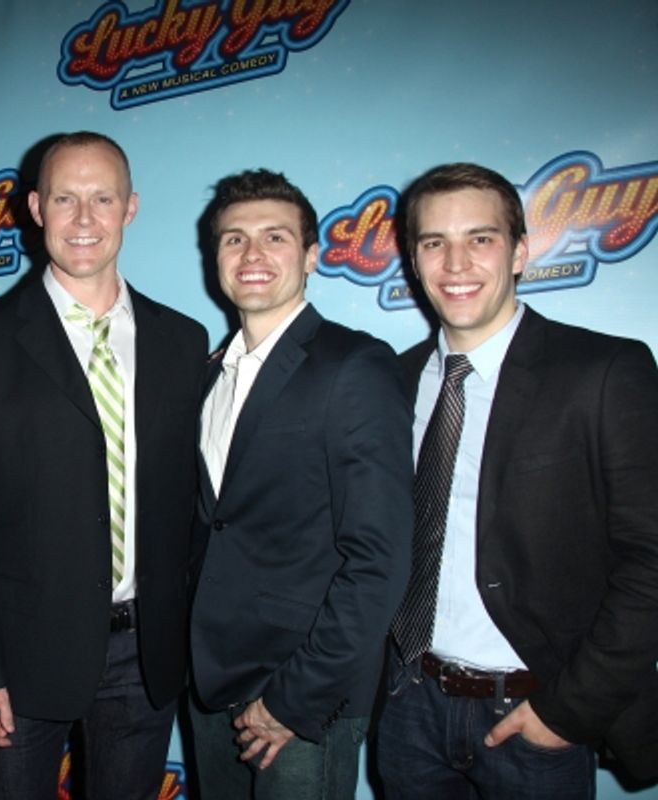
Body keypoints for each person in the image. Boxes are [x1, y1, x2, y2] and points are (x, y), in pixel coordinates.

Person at [0, 131, 207, 799]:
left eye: (102, 198)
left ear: (130, 207)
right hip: (19, 661)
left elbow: (190, 508)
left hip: (147, 655)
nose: (84, 218)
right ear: (35, 208)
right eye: (64, 199)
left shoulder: (182, 340)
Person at [377, 162, 658, 797]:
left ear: (521, 251)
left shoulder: (603, 371)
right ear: (414, 261)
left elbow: (650, 560)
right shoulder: (391, 381)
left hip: (535, 717)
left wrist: (568, 711)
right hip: (408, 707)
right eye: (434, 242)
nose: (456, 263)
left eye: (480, 238)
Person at [187, 168, 413, 799]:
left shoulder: (354, 365)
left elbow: (379, 557)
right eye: (234, 239)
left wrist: (297, 697)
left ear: (311, 256)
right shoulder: (207, 376)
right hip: (209, 682)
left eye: (275, 237)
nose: (252, 254)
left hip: (302, 695)